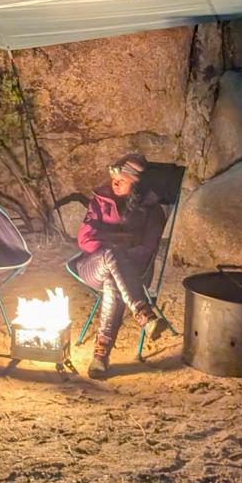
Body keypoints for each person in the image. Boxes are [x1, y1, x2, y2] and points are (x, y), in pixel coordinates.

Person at [75, 154, 168, 379]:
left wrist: (116, 248)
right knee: (110, 255)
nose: (115, 182)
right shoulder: (101, 200)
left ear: (136, 184)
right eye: (114, 177)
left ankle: (100, 355)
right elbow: (84, 239)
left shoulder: (152, 211)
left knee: (113, 280)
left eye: (122, 179)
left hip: (134, 272)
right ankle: (142, 311)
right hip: (92, 266)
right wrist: (119, 241)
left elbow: (146, 248)